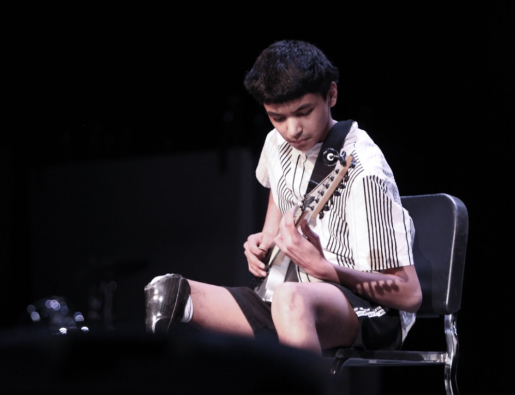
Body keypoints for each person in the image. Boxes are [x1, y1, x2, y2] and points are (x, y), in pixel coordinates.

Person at [144, 40, 422, 355]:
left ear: (331, 95)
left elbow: (408, 294)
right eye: (277, 117)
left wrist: (323, 268)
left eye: (304, 112)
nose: (292, 130)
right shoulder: (276, 144)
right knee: (166, 290)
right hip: (288, 296)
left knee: (292, 299)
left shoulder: (364, 170)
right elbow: (279, 195)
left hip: (366, 307)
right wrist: (264, 241)